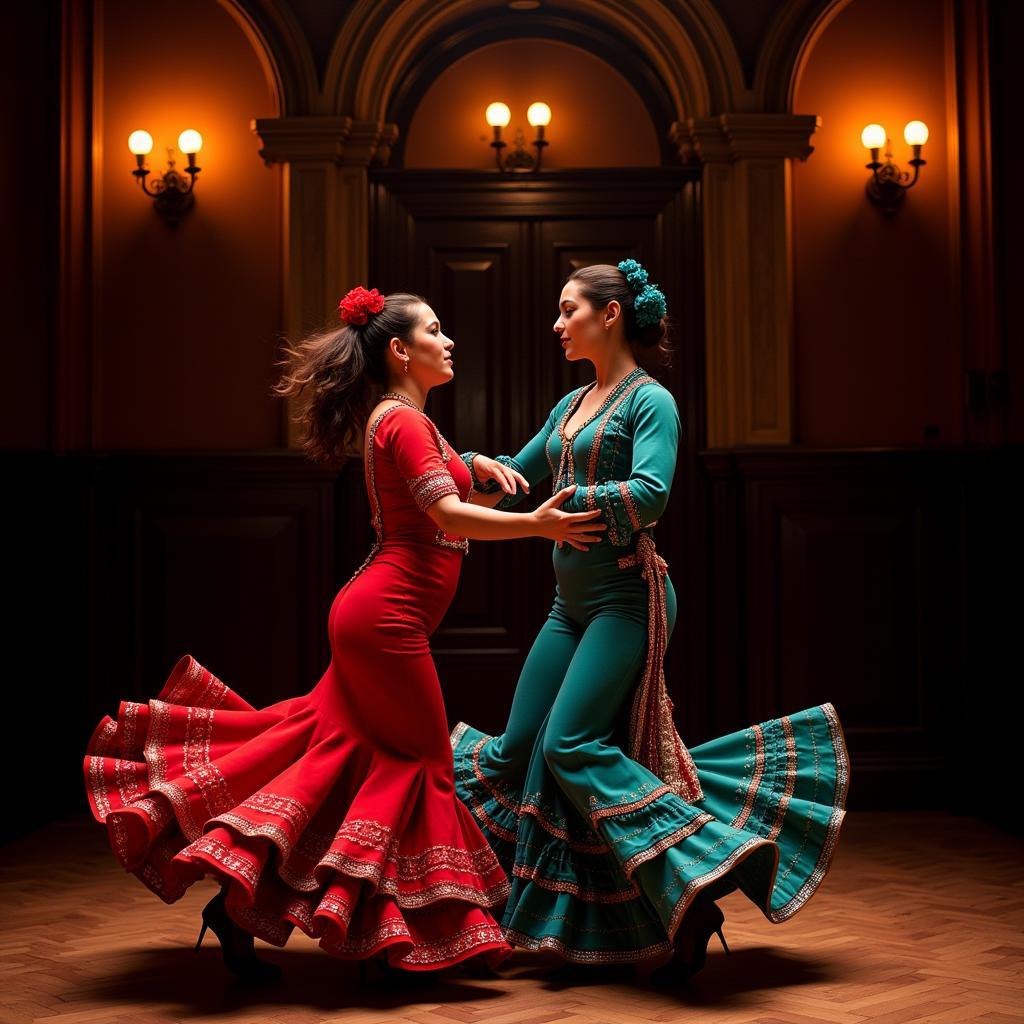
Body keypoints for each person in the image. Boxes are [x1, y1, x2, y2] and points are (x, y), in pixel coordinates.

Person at [82, 286, 605, 983]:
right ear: (399, 349)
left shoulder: (411, 420)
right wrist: (539, 522)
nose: (449, 342)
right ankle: (405, 936)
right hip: (384, 621)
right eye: (436, 330)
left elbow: (446, 504)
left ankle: (243, 907)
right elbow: (447, 514)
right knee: (423, 766)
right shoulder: (404, 423)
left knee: (330, 758)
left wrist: (476, 466)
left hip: (379, 613)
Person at [451, 260, 850, 978]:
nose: (556, 322)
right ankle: (477, 904)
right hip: (568, 607)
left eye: (568, 308)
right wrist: (459, 467)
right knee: (516, 752)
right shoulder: (572, 403)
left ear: (610, 314)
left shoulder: (649, 401)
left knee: (569, 745)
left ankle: (693, 890)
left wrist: (565, 508)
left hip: (629, 600)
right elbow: (519, 473)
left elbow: (651, 495)